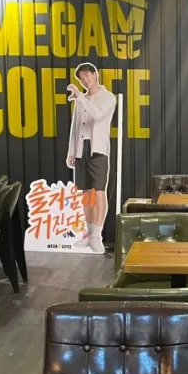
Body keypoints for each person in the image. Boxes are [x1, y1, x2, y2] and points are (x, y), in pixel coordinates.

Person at [66, 63, 116, 253]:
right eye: (81, 78)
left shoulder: (108, 97)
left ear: (96, 75)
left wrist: (79, 97)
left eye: (87, 75)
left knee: (99, 192)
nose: (84, 80)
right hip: (81, 149)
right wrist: (71, 152)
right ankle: (88, 233)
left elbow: (98, 114)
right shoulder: (82, 99)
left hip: (98, 150)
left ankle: (97, 235)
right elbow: (75, 127)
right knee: (86, 194)